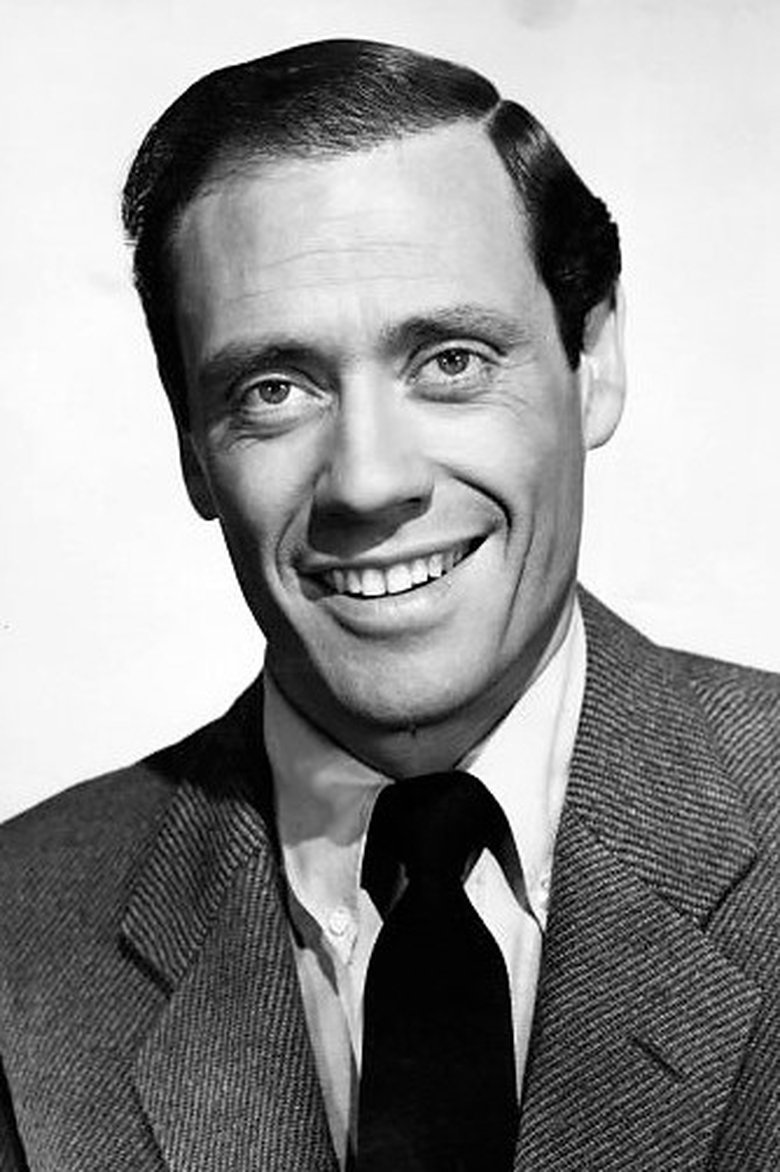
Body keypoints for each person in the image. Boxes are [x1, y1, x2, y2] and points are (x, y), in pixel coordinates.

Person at [0, 38, 777, 1172]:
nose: (368, 481)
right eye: (273, 390)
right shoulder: (19, 938)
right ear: (192, 449)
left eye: (451, 361)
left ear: (595, 360)